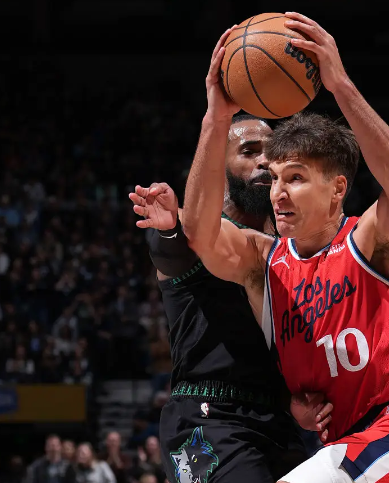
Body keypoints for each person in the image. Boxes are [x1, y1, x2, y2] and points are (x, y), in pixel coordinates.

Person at [179, 11, 389, 483]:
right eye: (275, 178)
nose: (278, 193)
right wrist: (216, 118)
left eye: (295, 178)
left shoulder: (370, 241)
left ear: (337, 189)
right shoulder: (264, 263)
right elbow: (198, 232)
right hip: (346, 448)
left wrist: (340, 85)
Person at [128, 112, 332, 483]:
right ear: (218, 170)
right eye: (249, 152)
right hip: (206, 417)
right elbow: (171, 248)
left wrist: (298, 399)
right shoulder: (196, 234)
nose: (264, 161)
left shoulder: (293, 248)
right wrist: (170, 228)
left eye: (272, 154)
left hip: (278, 422)